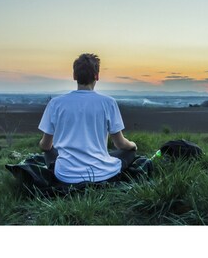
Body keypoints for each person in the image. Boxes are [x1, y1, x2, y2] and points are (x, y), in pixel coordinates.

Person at [38, 53, 138, 184]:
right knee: (129, 152)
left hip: (65, 176)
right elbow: (120, 144)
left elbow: (45, 146)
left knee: (49, 151)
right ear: (97, 76)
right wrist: (133, 145)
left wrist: (51, 148)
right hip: (102, 174)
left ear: (74, 76)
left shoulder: (55, 103)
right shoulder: (109, 102)